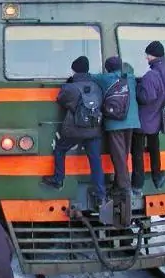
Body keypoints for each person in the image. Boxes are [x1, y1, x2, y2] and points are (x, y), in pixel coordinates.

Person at [41, 56, 107, 209]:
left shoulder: (71, 87)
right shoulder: (96, 86)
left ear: (74, 70)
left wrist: (68, 84)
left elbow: (61, 99)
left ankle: (58, 179)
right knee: (95, 161)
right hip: (93, 130)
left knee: (60, 149)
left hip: (75, 130)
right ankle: (101, 195)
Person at [94, 57, 141, 224]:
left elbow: (89, 76)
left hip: (115, 122)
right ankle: (121, 183)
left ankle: (124, 186)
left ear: (107, 68)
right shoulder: (129, 78)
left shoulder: (105, 78)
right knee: (125, 154)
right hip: (132, 121)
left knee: (118, 155)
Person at [131, 41, 165, 195]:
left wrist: (137, 89)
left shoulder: (151, 76)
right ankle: (158, 177)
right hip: (157, 117)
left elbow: (145, 98)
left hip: (143, 119)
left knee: (137, 151)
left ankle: (137, 184)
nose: (146, 58)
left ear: (154, 55)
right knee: (154, 148)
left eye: (148, 55)